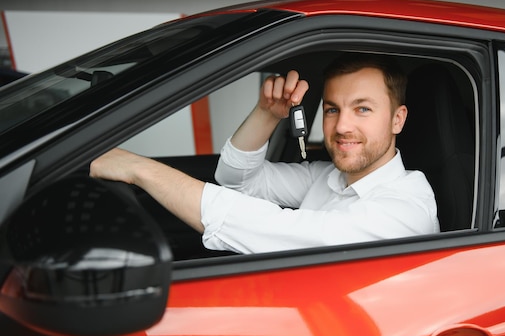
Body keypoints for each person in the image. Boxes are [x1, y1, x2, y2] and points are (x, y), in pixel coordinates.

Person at [90, 53, 439, 254]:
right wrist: (267, 114)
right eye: (332, 109)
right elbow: (237, 180)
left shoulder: (405, 209)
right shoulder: (330, 178)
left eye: (362, 109)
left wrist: (140, 169)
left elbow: (284, 233)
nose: (342, 126)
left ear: (397, 118)